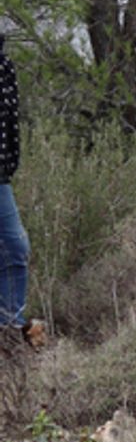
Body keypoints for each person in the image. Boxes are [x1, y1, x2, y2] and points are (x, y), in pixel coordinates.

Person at [0, 34, 39, 349]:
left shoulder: (4, 64)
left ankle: (9, 331)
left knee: (15, 247)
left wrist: (9, 166)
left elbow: (11, 123)